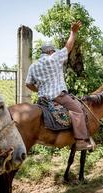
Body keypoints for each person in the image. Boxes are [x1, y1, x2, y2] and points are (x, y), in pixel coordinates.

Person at [25, 20, 93, 151]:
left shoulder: (33, 66)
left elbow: (28, 84)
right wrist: (73, 32)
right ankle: (80, 141)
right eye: (53, 50)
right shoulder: (54, 58)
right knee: (77, 110)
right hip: (58, 96)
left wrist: (38, 89)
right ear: (51, 51)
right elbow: (68, 47)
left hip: (42, 100)